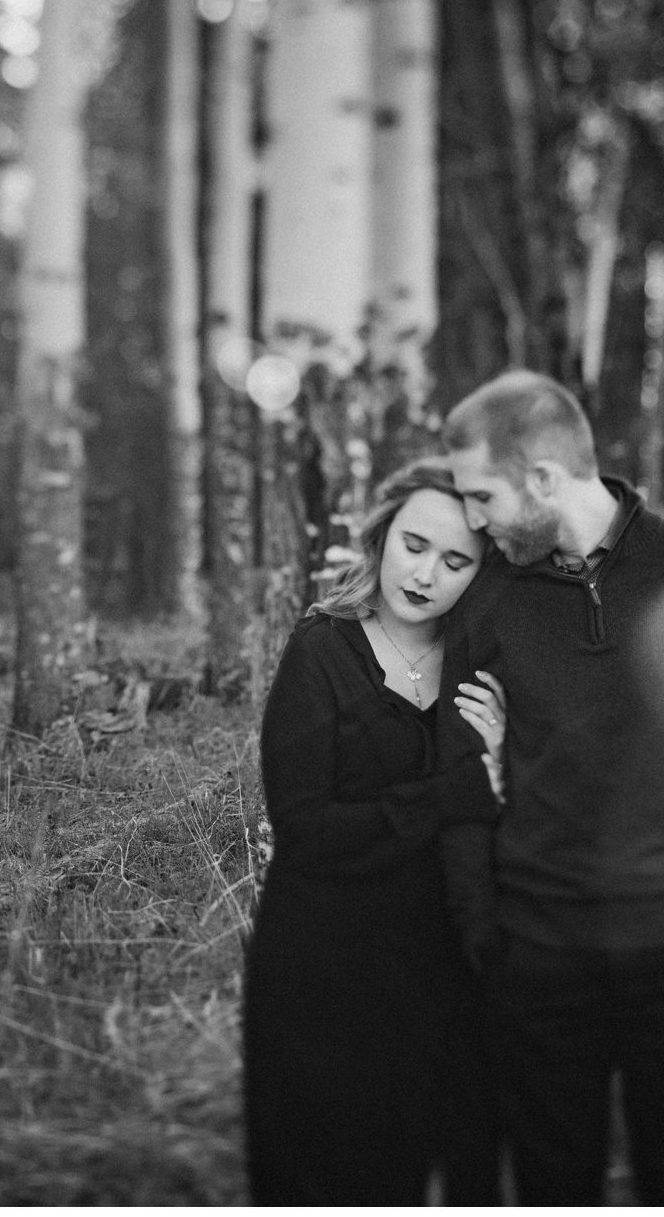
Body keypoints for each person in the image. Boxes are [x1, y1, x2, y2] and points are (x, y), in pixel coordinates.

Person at [431, 370, 664, 1205]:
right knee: (551, 1188)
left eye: (480, 494)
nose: (472, 519)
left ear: (540, 479)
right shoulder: (488, 594)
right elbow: (454, 774)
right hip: (535, 959)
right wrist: (483, 933)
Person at [243, 459, 509, 1205]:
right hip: (325, 968)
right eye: (414, 545)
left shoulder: (479, 666)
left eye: (455, 561)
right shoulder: (322, 651)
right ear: (382, 536)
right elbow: (306, 828)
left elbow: (510, 802)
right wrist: (457, 791)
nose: (424, 574)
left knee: (442, 1168)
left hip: (443, 965)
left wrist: (504, 764)